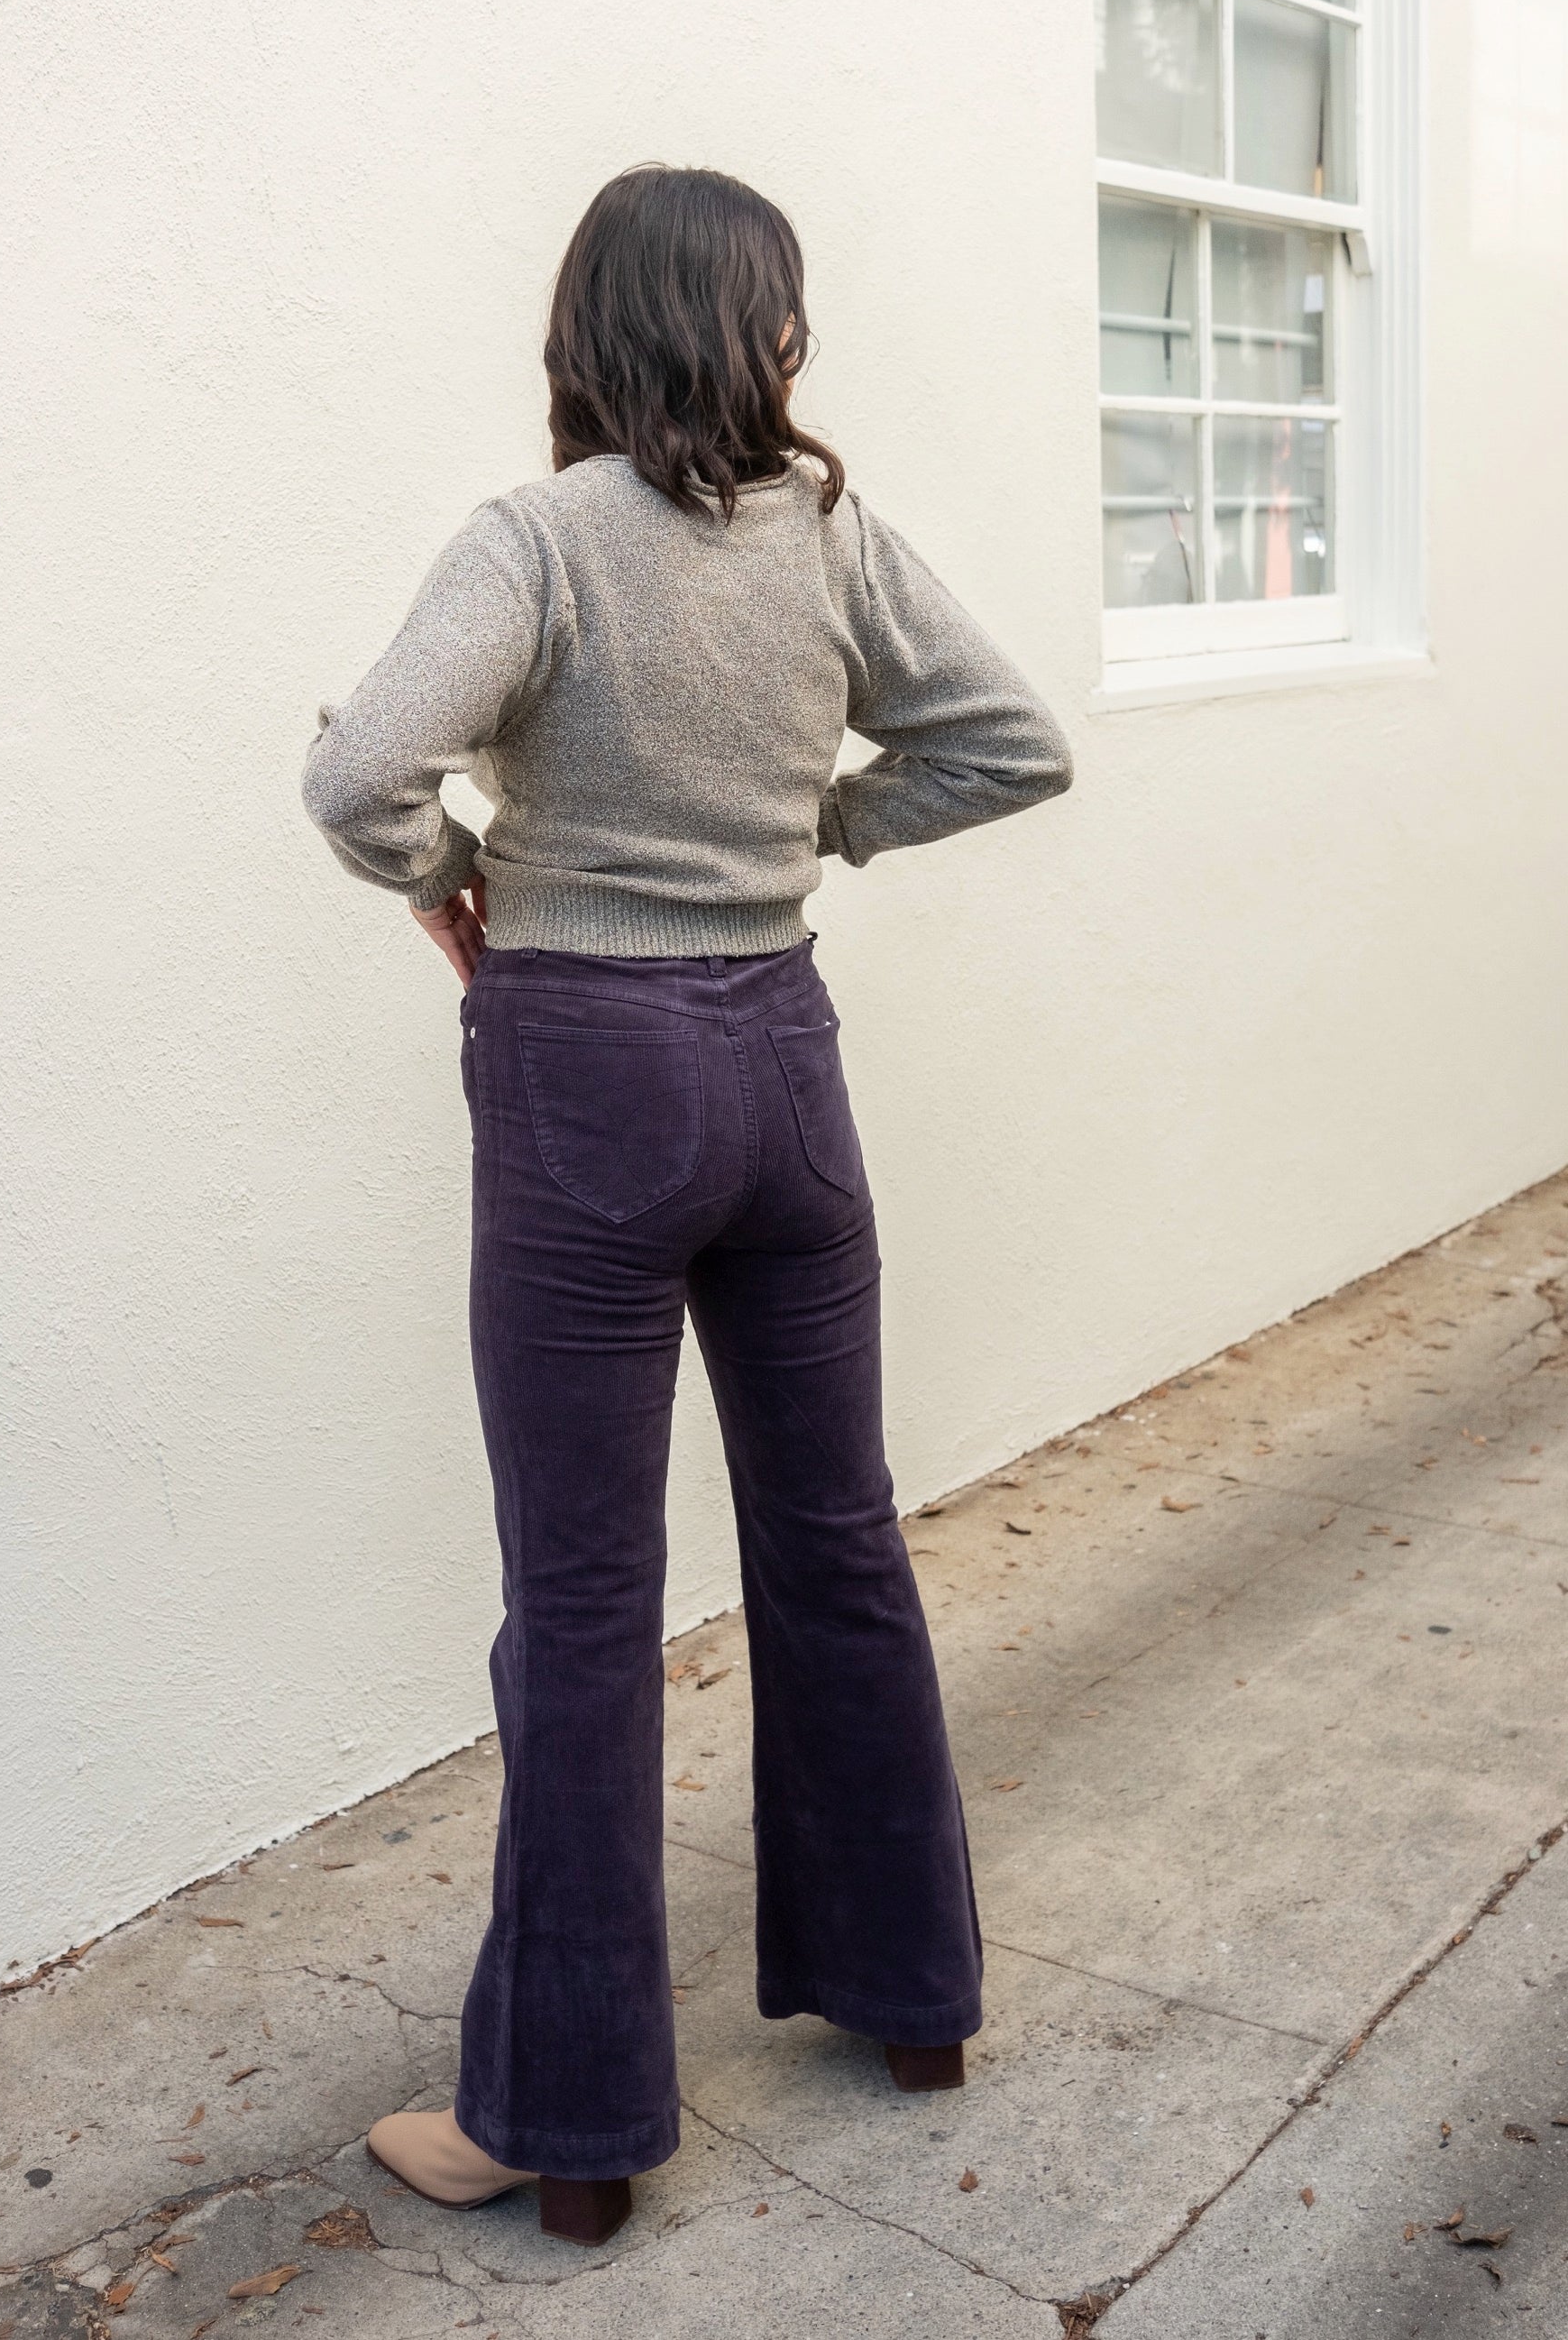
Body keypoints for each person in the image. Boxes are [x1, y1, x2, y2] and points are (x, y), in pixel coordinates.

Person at [301, 163, 1072, 2246]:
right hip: (785, 1067)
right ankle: (909, 1999)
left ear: (580, 335)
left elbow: (359, 776)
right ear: (767, 337)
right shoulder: (832, 534)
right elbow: (1012, 744)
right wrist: (823, 827)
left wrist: (457, 878)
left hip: (586, 1076)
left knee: (580, 1603)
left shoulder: (537, 539)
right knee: (837, 1538)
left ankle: (565, 2129)